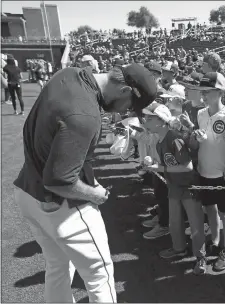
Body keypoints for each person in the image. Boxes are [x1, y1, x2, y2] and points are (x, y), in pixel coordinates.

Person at [13, 63, 158, 303]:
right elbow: (59, 181)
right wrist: (94, 194)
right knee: (99, 273)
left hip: (28, 189)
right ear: (124, 90)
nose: (124, 112)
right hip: (62, 205)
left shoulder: (68, 73)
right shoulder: (85, 115)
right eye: (130, 105)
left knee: (58, 266)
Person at [142, 102, 207, 275]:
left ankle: (201, 258)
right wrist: (155, 166)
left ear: (160, 121)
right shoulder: (159, 141)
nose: (145, 121)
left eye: (149, 118)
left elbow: (187, 167)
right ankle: (178, 249)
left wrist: (160, 168)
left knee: (195, 224)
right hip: (174, 187)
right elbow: (169, 164)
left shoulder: (174, 138)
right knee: (174, 222)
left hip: (189, 187)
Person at [191, 72, 225, 271]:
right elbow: (198, 140)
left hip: (221, 172)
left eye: (208, 91)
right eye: (202, 91)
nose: (204, 95)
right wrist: (197, 137)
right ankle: (216, 239)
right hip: (204, 170)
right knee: (209, 208)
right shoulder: (201, 114)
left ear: (220, 92)